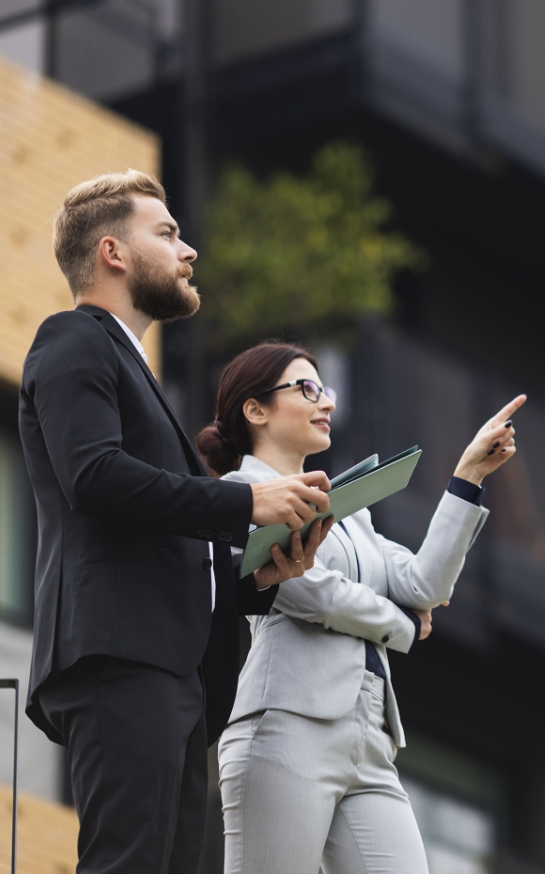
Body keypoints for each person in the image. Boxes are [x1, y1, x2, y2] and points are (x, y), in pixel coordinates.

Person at [18, 171, 334, 874]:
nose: (188, 250)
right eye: (166, 233)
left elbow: (173, 538)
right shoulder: (73, 339)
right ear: (112, 253)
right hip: (122, 654)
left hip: (176, 672)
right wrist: (243, 503)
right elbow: (94, 476)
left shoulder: (138, 373)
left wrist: (263, 575)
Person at [196, 341, 526, 874]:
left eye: (324, 389)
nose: (326, 401)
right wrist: (397, 623)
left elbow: (423, 585)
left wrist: (467, 479)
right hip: (286, 725)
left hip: (370, 739)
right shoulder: (243, 491)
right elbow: (306, 590)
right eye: (306, 388)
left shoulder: (348, 510)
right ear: (255, 410)